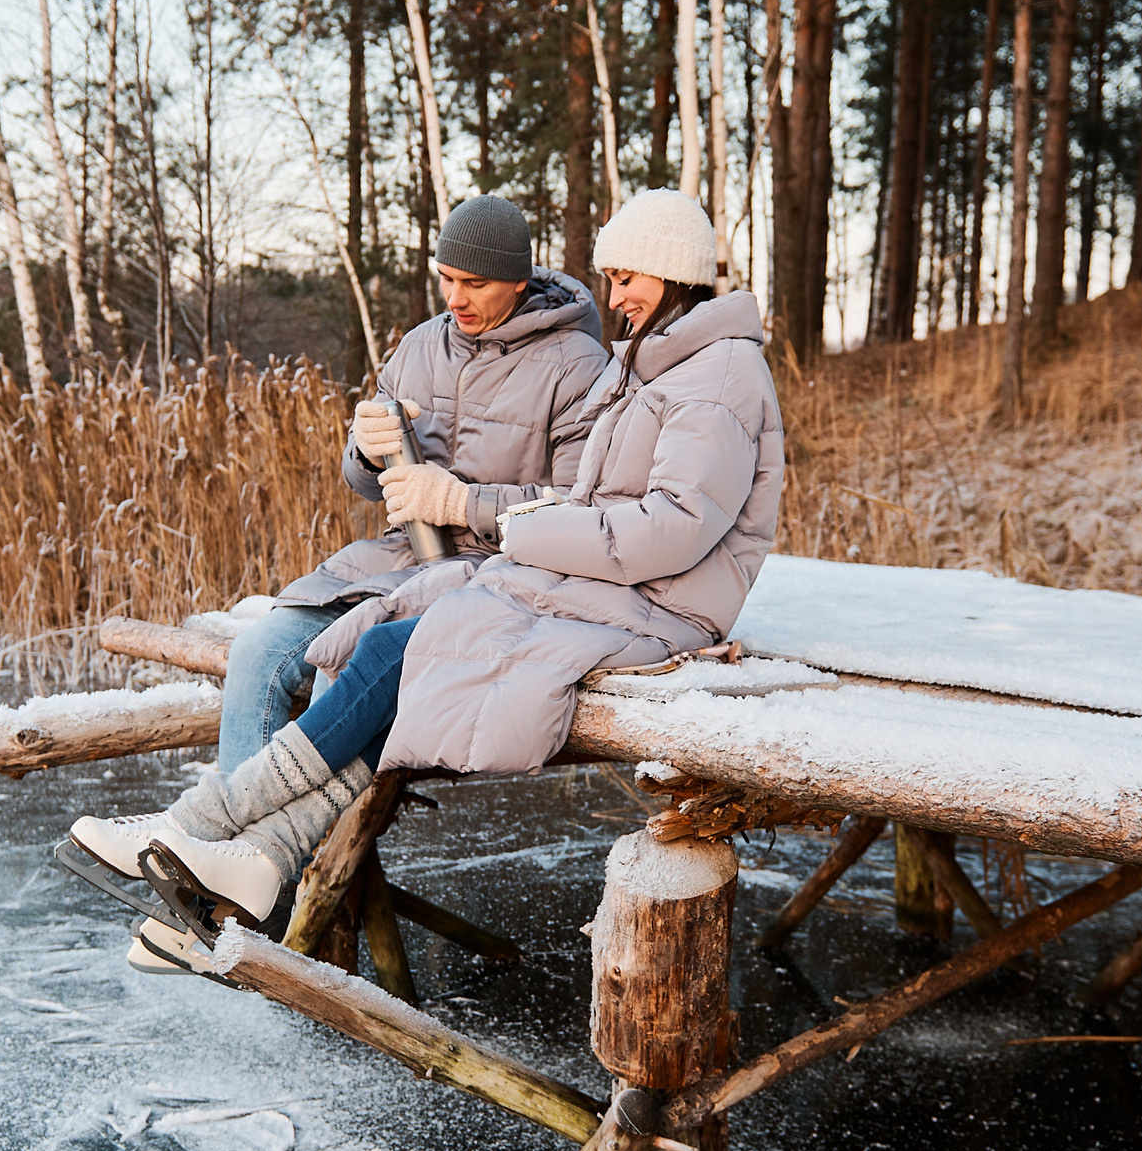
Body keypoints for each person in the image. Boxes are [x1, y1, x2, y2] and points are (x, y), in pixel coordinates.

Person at [70, 190, 785, 975]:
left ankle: (200, 832)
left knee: (392, 658)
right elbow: (598, 509)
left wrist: (489, 516)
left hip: (622, 597)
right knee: (299, 654)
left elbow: (657, 523)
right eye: (446, 279)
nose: (615, 297)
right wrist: (369, 448)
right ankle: (242, 866)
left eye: (628, 279)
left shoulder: (664, 371)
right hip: (538, 574)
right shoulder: (647, 359)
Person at [214, 193, 608, 777]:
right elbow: (365, 484)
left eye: (474, 283)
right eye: (446, 279)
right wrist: (367, 453)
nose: (455, 299)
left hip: (497, 579)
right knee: (256, 654)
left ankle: (260, 845)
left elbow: (581, 511)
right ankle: (225, 843)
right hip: (402, 558)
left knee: (340, 673)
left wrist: (460, 502)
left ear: (518, 281)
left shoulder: (577, 364)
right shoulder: (421, 344)